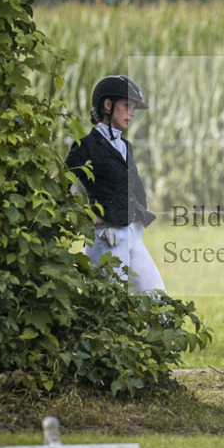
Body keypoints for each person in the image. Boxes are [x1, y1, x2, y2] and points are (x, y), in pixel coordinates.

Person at [65, 74, 164, 297]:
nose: (132, 113)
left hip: (132, 232)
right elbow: (63, 187)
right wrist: (87, 217)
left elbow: (136, 185)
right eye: (127, 106)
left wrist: (140, 213)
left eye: (134, 108)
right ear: (108, 105)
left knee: (157, 297)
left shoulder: (125, 146)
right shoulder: (85, 147)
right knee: (108, 304)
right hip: (106, 236)